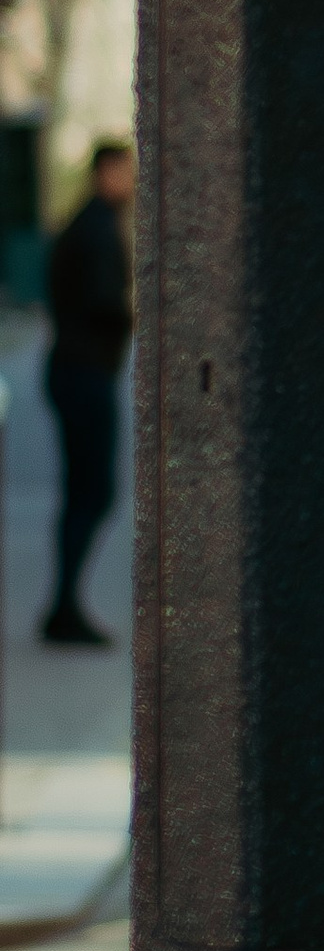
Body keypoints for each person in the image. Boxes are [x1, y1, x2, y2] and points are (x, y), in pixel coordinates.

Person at [41, 139, 134, 649]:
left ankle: (64, 605)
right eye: (124, 171)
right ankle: (64, 607)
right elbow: (103, 304)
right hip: (84, 372)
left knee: (86, 492)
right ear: (104, 172)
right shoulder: (96, 228)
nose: (131, 182)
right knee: (91, 492)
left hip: (77, 369)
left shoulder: (88, 223)